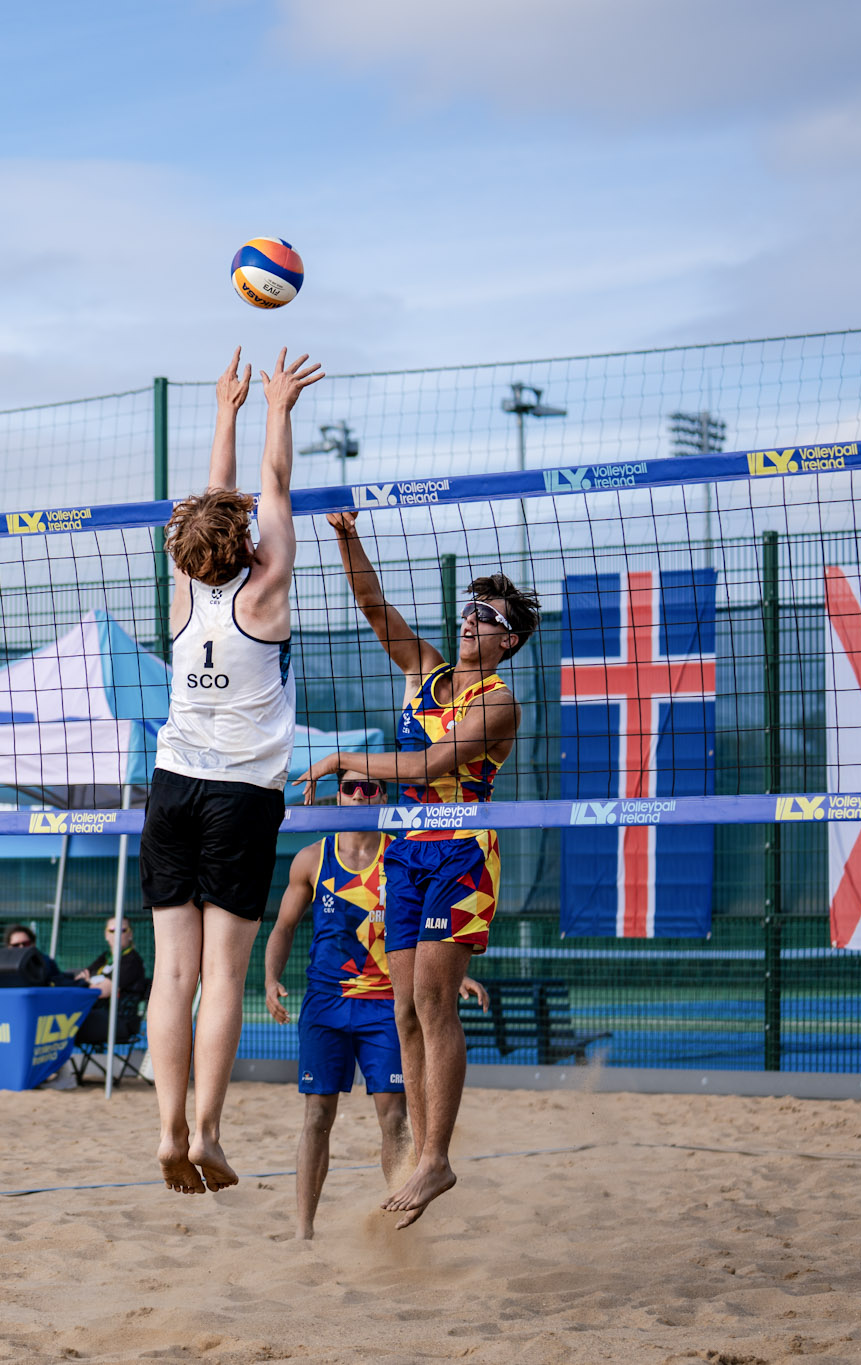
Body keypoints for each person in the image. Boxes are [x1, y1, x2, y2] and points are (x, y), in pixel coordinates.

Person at [296, 511, 539, 1227]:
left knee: (434, 1003)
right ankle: (419, 1156)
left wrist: (345, 757)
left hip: (461, 849)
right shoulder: (423, 670)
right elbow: (372, 606)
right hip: (405, 851)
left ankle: (437, 1155)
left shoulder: (499, 703)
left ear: (508, 640)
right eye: (468, 609)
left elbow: (431, 764)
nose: (470, 620)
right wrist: (346, 536)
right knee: (403, 1011)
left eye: (486, 615)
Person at [142, 345, 323, 1195]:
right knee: (224, 977)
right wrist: (277, 408)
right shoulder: (268, 588)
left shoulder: (181, 591)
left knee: (172, 974)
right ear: (243, 538)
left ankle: (165, 1126)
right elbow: (274, 487)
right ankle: (206, 1130)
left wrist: (226, 409)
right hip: (242, 798)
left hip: (172, 786)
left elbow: (217, 507)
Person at [262, 777, 487, 1238]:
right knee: (317, 1117)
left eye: (372, 788)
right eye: (352, 788)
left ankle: (399, 1218)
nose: (362, 797)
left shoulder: (402, 853)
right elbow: (284, 925)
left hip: (386, 1003)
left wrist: (451, 975)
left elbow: (432, 931)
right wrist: (268, 977)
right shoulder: (313, 858)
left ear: (383, 795)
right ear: (338, 795)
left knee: (394, 1116)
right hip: (326, 1001)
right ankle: (304, 1231)